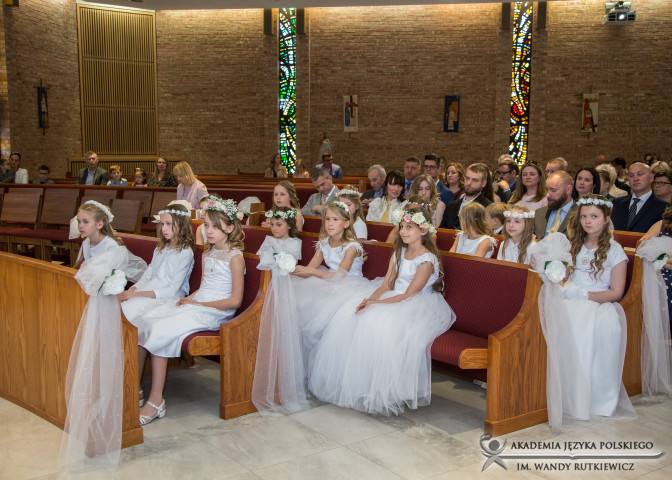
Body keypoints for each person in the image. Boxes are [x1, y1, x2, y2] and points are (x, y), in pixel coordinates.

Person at [308, 206, 455, 415]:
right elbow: (386, 285)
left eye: (409, 227)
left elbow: (408, 294)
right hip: (394, 297)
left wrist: (377, 305)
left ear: (423, 230)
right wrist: (370, 300)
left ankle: (389, 389)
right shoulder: (399, 253)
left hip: (416, 304)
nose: (403, 231)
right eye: (401, 227)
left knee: (379, 324)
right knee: (353, 315)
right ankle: (361, 385)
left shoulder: (427, 260)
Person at [131, 198, 245, 425]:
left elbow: (235, 301)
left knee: (160, 329)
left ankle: (156, 401)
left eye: (215, 226)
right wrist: (189, 299)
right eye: (207, 226)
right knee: (145, 320)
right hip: (200, 304)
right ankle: (135, 388)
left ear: (230, 228)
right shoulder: (208, 253)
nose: (208, 231)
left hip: (217, 312)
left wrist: (201, 305)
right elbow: (203, 287)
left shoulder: (235, 258)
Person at [532, 195, 636, 432]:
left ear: (606, 219)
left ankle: (580, 400)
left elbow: (616, 292)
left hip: (596, 301)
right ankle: (545, 391)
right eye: (584, 216)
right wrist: (557, 279)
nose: (588, 221)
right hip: (570, 294)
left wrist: (584, 295)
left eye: (594, 216)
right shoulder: (575, 244)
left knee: (580, 324)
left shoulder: (615, 251)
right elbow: (566, 276)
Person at [59, 201, 146, 469]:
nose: (80, 225)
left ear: (99, 224)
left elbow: (94, 278)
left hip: (108, 303)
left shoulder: (113, 248)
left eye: (85, 221)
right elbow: (80, 270)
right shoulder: (87, 243)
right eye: (79, 221)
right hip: (94, 299)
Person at [120, 204, 195, 410]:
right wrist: (133, 289)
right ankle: (132, 383)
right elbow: (149, 274)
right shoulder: (160, 248)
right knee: (125, 311)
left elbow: (172, 289)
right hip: (149, 292)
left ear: (181, 225)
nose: (164, 228)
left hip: (167, 298)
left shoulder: (185, 252)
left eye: (169, 224)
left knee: (135, 318)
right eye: (162, 224)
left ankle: (136, 385)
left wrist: (138, 295)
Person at [292, 201, 365, 364]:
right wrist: (293, 270)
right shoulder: (324, 243)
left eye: (335, 219)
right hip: (327, 282)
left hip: (349, 286)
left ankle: (323, 359)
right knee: (298, 302)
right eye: (327, 219)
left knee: (322, 314)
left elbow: (340, 275)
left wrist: (310, 272)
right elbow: (310, 268)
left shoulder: (352, 246)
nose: (330, 223)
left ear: (346, 223)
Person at [251, 206, 306, 414]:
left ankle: (285, 382)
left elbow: (288, 264)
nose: (274, 228)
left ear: (289, 225)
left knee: (284, 328)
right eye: (272, 224)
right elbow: (261, 259)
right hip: (268, 284)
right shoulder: (267, 239)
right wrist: (272, 256)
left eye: (279, 224)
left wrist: (274, 257)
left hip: (284, 287)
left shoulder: (295, 242)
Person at [639, 206, 672, 396]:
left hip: (664, 271)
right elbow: (643, 247)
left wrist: (664, 260)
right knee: (654, 286)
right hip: (657, 272)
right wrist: (664, 261)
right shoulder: (662, 224)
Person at [611, 162, 669, 233]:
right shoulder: (617, 203)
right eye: (631, 175)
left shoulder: (663, 207)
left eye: (640, 174)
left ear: (651, 178)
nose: (635, 179)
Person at [439, 163, 493, 230]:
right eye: (467, 178)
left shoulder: (487, 207)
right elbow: (442, 231)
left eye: (474, 180)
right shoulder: (451, 206)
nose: (469, 183)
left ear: (483, 183)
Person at [534, 171, 578, 239]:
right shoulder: (539, 213)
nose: (548, 195)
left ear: (568, 189)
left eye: (553, 190)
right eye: (547, 190)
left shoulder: (580, 214)